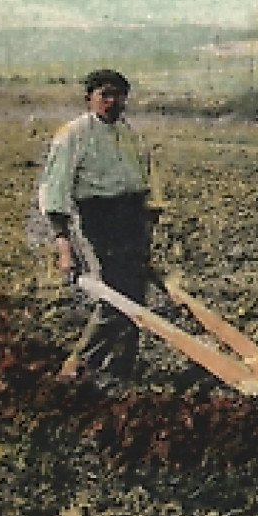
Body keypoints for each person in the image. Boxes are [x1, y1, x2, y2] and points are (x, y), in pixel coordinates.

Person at [37, 69, 156, 383]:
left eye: (119, 95)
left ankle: (122, 369)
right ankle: (78, 365)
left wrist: (146, 230)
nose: (113, 101)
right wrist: (63, 244)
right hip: (99, 220)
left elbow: (142, 183)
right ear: (89, 98)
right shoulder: (73, 135)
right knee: (115, 298)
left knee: (136, 299)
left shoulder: (128, 134)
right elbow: (55, 190)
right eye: (105, 94)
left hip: (130, 219)